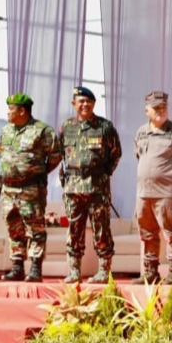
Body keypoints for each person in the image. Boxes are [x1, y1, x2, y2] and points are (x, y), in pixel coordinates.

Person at [59, 86, 122, 284]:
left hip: (97, 188)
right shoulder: (66, 127)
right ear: (74, 104)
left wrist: (102, 174)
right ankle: (74, 271)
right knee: (74, 230)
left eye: (88, 101)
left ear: (94, 104)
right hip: (73, 189)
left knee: (101, 229)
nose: (85, 104)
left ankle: (103, 271)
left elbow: (116, 154)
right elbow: (61, 154)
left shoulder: (104, 127)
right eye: (81, 101)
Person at [0, 93, 62, 282]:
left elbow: (55, 156)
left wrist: (37, 172)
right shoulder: (6, 131)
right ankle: (17, 267)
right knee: (14, 228)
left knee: (35, 229)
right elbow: (3, 154)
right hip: (9, 190)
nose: (8, 112)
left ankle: (35, 269)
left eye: (11, 109)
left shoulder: (42, 131)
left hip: (31, 189)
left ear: (22, 111)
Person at [131, 91, 172, 286]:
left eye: (163, 107)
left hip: (167, 193)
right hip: (144, 193)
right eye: (156, 107)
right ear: (147, 111)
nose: (160, 110)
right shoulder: (141, 132)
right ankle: (151, 272)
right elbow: (138, 156)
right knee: (147, 234)